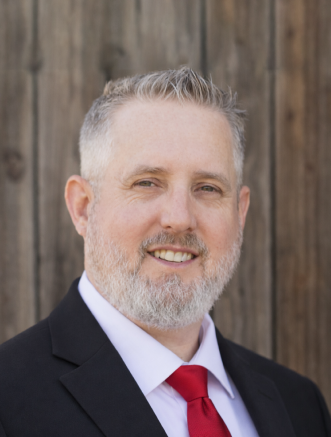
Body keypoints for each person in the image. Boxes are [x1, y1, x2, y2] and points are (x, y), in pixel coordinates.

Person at [0, 68, 330, 437]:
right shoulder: (8, 401)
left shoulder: (301, 406)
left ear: (240, 213)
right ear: (83, 207)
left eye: (207, 188)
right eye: (147, 183)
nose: (179, 218)